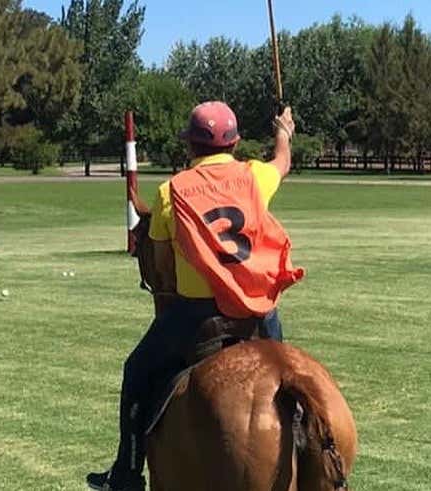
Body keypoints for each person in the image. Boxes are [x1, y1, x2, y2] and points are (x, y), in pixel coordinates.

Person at [87, 101, 303, 491]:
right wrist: (283, 131)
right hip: (259, 314)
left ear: (190, 146)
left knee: (136, 371)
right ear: (235, 143)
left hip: (200, 318)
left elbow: (164, 268)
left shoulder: (171, 191)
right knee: (284, 379)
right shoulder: (255, 176)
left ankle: (126, 474)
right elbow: (283, 161)